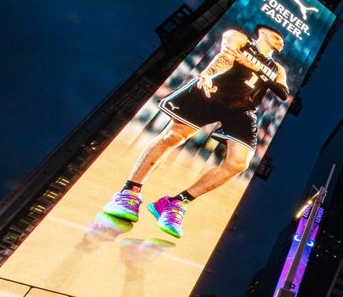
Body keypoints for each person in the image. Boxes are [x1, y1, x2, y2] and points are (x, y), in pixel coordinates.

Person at [101, 25, 290, 239]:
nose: (280, 42)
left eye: (282, 40)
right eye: (276, 36)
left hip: (243, 109)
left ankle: (174, 204)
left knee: (239, 163)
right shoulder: (239, 38)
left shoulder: (278, 68)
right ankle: (129, 192)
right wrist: (209, 74)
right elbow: (225, 57)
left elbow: (282, 92)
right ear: (262, 33)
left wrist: (258, 70)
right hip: (214, 93)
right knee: (173, 136)